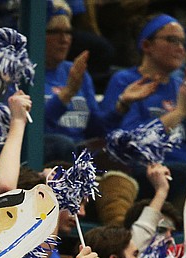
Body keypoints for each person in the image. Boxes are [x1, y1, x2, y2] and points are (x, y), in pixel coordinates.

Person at [101, 14, 186, 201]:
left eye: (183, 42)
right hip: (146, 171)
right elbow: (132, 143)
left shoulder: (184, 86)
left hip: (185, 170)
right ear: (147, 46)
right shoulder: (126, 81)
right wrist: (179, 112)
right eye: (172, 40)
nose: (181, 48)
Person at [42, 2, 107, 162]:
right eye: (55, 32)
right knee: (64, 145)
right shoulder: (25, 73)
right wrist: (67, 94)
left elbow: (95, 128)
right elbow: (32, 130)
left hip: (80, 149)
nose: (64, 39)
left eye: (68, 32)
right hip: (46, 152)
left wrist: (121, 106)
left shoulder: (76, 72)